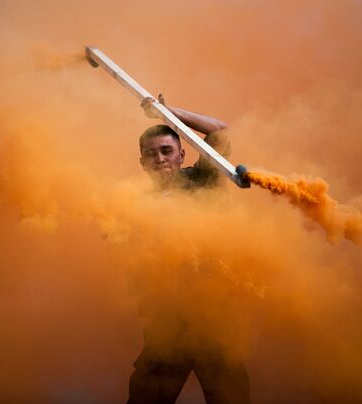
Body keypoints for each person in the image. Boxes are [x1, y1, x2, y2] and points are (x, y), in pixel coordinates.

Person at [127, 94, 250, 404]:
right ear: (143, 164)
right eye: (151, 154)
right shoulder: (134, 205)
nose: (160, 159)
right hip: (168, 326)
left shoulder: (204, 179)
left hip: (215, 320)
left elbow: (219, 132)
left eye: (166, 151)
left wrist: (169, 114)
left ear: (182, 154)